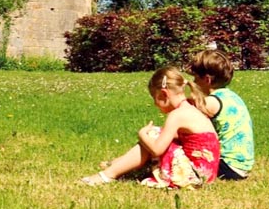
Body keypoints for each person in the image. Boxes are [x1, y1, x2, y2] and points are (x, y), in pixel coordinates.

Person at [80, 66, 220, 188]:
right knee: (160, 134)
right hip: (206, 175)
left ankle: (108, 175)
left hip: (194, 177)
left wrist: (142, 134)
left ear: (164, 94)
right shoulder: (190, 109)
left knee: (153, 134)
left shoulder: (177, 115)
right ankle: (117, 165)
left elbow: (157, 150)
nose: (155, 104)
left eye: (155, 98)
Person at [187, 49, 254, 180]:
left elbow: (185, 119)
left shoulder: (211, 102)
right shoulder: (230, 96)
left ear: (207, 80)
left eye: (195, 78)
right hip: (241, 166)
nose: (194, 82)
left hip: (227, 166)